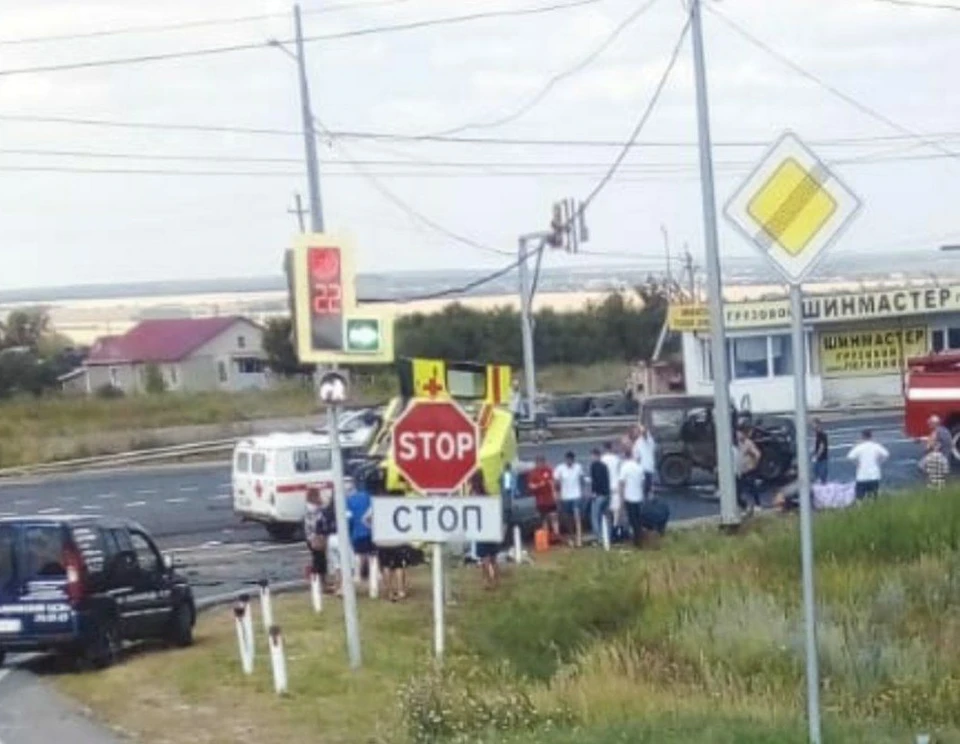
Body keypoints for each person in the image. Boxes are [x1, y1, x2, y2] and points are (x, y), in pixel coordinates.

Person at [471, 470, 502, 589]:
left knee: (484, 558)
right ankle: (497, 580)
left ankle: (486, 581)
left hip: (481, 529)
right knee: (493, 558)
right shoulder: (487, 492)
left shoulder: (473, 494)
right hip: (491, 528)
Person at [346, 476, 375, 588]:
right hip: (370, 530)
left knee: (359, 555)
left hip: (357, 532)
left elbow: (348, 518)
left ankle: (358, 575)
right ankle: (375, 574)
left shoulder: (348, 501)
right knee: (372, 553)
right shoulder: (366, 496)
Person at [554, 451, 585, 547]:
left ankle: (579, 538)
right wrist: (557, 495)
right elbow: (556, 482)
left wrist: (582, 491)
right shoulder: (560, 468)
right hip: (565, 497)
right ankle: (571, 536)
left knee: (577, 516)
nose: (569, 461)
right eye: (568, 459)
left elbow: (581, 479)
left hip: (576, 496)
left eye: (571, 460)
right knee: (568, 518)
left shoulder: (578, 467)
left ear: (573, 460)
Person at [847, 429, 889, 500]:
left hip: (862, 476)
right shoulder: (876, 446)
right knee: (873, 496)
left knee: (860, 497)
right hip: (874, 475)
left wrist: (857, 464)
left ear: (862, 437)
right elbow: (886, 454)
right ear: (871, 436)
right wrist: (879, 462)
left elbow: (850, 456)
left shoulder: (859, 447)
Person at [618, 446, 646, 547]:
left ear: (625, 456)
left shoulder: (624, 467)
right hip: (638, 497)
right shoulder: (639, 467)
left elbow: (622, 484)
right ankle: (639, 538)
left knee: (632, 520)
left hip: (629, 497)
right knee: (638, 520)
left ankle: (636, 541)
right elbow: (643, 483)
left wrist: (621, 499)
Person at [528, 454, 559, 540]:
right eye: (540, 462)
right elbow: (531, 486)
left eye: (543, 462)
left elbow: (552, 482)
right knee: (544, 518)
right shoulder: (533, 473)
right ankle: (546, 535)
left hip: (550, 499)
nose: (541, 464)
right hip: (540, 500)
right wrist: (539, 485)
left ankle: (556, 534)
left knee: (554, 516)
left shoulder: (548, 470)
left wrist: (555, 493)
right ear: (537, 463)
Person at [735, 427, 763, 514]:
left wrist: (754, 464)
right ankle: (744, 506)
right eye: (737, 434)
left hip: (749, 470)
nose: (738, 435)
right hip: (740, 470)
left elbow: (758, 454)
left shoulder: (748, 443)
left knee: (752, 487)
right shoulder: (737, 444)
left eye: (740, 433)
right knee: (737, 490)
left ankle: (757, 504)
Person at [600, 441, 622, 538]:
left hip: (606, 487)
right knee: (617, 510)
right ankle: (616, 529)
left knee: (607, 510)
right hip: (616, 486)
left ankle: (608, 531)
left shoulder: (602, 460)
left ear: (604, 448)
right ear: (611, 448)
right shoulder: (617, 459)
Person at [588, 448, 611, 544]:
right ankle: (607, 535)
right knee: (604, 516)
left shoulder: (594, 466)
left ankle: (599, 537)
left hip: (598, 495)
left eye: (592, 456)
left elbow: (595, 480)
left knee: (594, 517)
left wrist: (593, 493)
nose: (591, 458)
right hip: (606, 494)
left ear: (595, 455)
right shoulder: (604, 466)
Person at [634, 425, 657, 502]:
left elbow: (645, 437)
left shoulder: (648, 440)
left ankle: (648, 501)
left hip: (647, 467)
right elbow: (636, 456)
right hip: (644, 467)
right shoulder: (638, 442)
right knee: (645, 487)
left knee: (647, 486)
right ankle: (646, 500)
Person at [812, 418, 829, 484]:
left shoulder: (821, 434)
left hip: (821, 458)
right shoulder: (818, 433)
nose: (812, 426)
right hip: (820, 457)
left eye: (813, 424)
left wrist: (816, 456)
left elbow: (822, 446)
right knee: (817, 474)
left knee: (821, 475)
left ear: (817, 424)